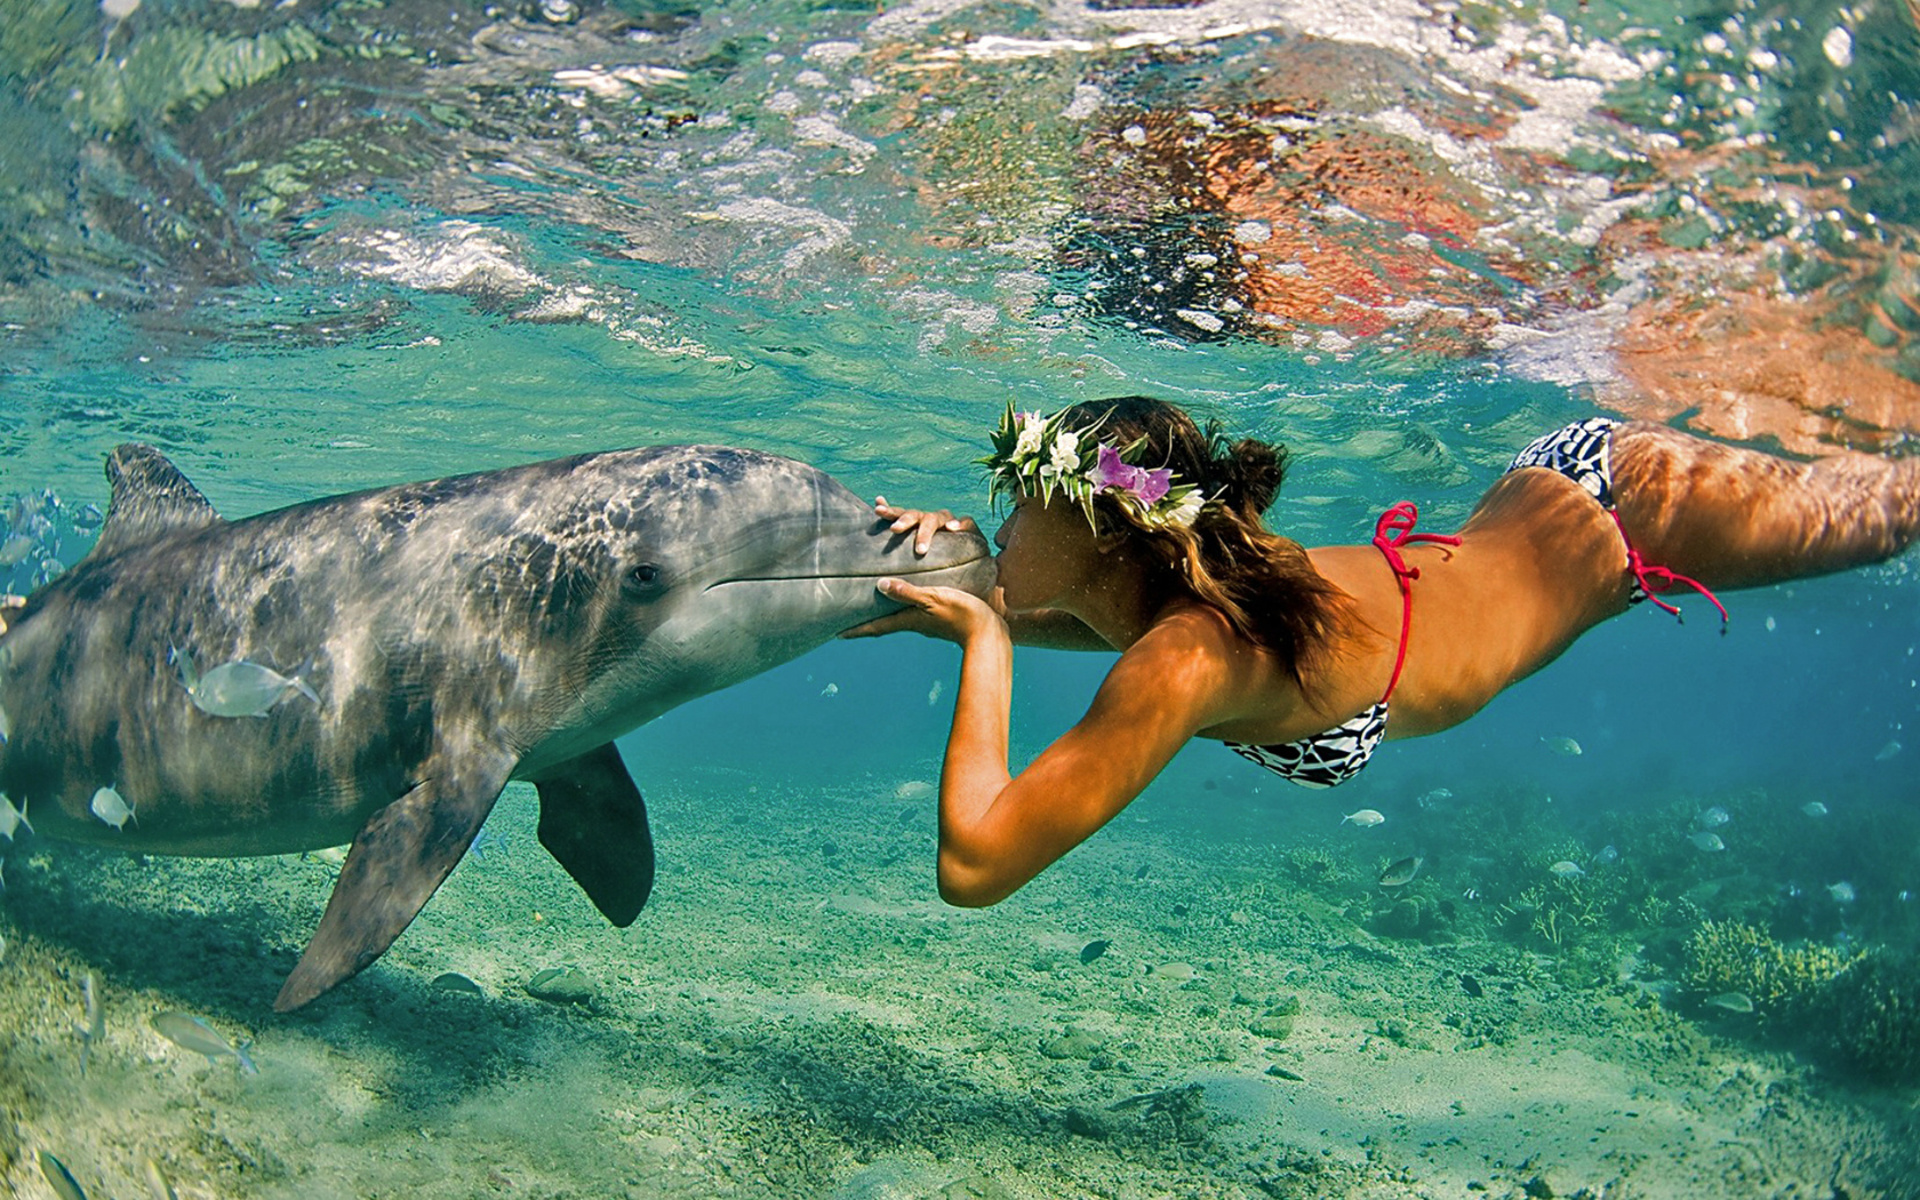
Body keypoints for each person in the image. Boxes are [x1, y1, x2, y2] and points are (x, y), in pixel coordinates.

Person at [846, 396, 1920, 907]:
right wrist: (901, 571)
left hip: (1633, 512)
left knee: (1897, 501)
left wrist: (984, 639)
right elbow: (1054, 605)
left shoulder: (1184, 658)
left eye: (1025, 507)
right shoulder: (1180, 585)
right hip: (1562, 488)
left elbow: (976, 865)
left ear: (1108, 533)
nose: (1005, 526)